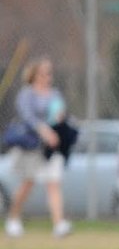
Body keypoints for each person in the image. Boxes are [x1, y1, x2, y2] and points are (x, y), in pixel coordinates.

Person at [5, 57, 73, 238]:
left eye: (50, 72)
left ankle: (59, 224)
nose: (48, 76)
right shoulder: (26, 94)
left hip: (50, 147)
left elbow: (59, 115)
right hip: (31, 146)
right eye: (44, 73)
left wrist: (59, 124)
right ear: (34, 74)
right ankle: (13, 219)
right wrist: (44, 131)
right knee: (28, 183)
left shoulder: (55, 94)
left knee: (53, 183)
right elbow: (28, 118)